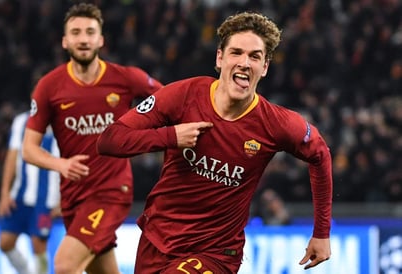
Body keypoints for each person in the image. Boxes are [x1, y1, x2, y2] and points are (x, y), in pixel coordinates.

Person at [97, 11, 333, 273]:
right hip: (157, 239)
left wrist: (321, 232)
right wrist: (171, 137)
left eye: (255, 57)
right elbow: (110, 140)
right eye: (236, 53)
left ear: (264, 67)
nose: (244, 62)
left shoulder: (277, 124)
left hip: (216, 252)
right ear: (220, 58)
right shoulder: (183, 95)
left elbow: (320, 155)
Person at [22, 3, 163, 274]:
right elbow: (29, 149)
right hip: (73, 196)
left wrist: (156, 136)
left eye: (90, 32)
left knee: (64, 265)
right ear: (65, 41)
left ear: (101, 39)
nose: (83, 39)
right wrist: (61, 165)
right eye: (76, 32)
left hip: (111, 192)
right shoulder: (49, 86)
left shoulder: (125, 78)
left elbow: (169, 101)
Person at [0, 111, 60, 274]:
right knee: (5, 243)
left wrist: (62, 200)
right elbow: (12, 158)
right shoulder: (21, 121)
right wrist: (5, 193)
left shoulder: (62, 123)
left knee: (39, 247)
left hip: (45, 201)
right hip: (19, 197)